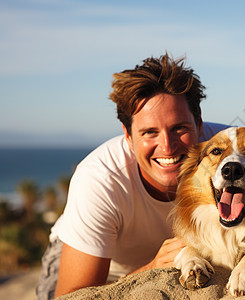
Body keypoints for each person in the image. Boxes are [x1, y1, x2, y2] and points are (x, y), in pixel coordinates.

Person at [36, 53, 228, 299]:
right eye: (149, 132)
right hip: (96, 266)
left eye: (179, 128)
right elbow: (73, 295)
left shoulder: (230, 152)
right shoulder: (100, 179)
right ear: (128, 135)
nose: (167, 147)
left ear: (199, 123)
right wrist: (150, 270)